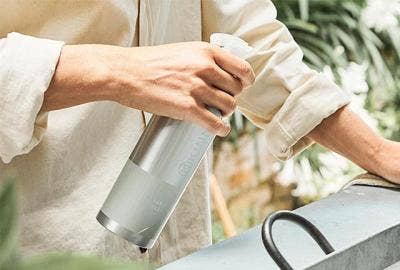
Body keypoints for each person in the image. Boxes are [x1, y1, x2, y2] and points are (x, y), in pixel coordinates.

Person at [0, 0, 399, 266]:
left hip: (176, 246)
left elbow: (253, 38)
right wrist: (114, 71)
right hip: (37, 238)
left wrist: (379, 154)